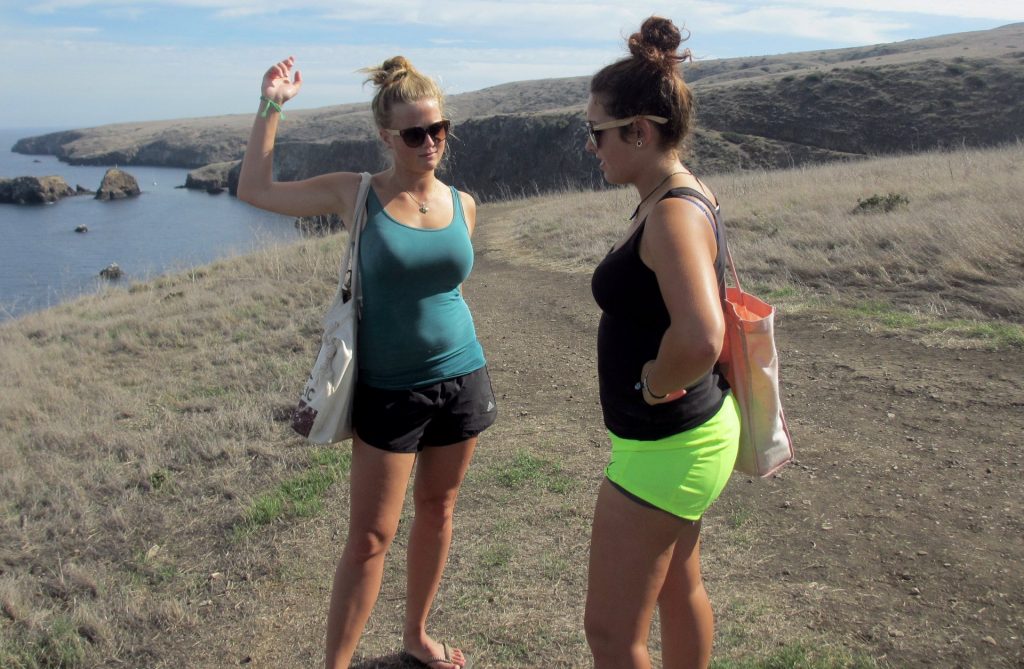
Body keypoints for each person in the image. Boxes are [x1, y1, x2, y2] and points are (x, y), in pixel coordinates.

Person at [237, 54, 495, 669]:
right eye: (414, 133)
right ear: (385, 137)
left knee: (439, 510)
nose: (430, 142)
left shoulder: (464, 204)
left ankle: (416, 636)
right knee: (371, 538)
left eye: (439, 129)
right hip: (389, 388)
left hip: (462, 377)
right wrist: (271, 105)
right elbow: (255, 189)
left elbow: (444, 290)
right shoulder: (356, 193)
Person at [583, 16, 740, 669]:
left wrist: (651, 382)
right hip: (688, 436)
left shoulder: (672, 209)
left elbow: (702, 335)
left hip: (668, 445)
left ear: (640, 132)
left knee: (611, 634)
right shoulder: (674, 193)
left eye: (598, 133)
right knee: (680, 588)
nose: (593, 146)